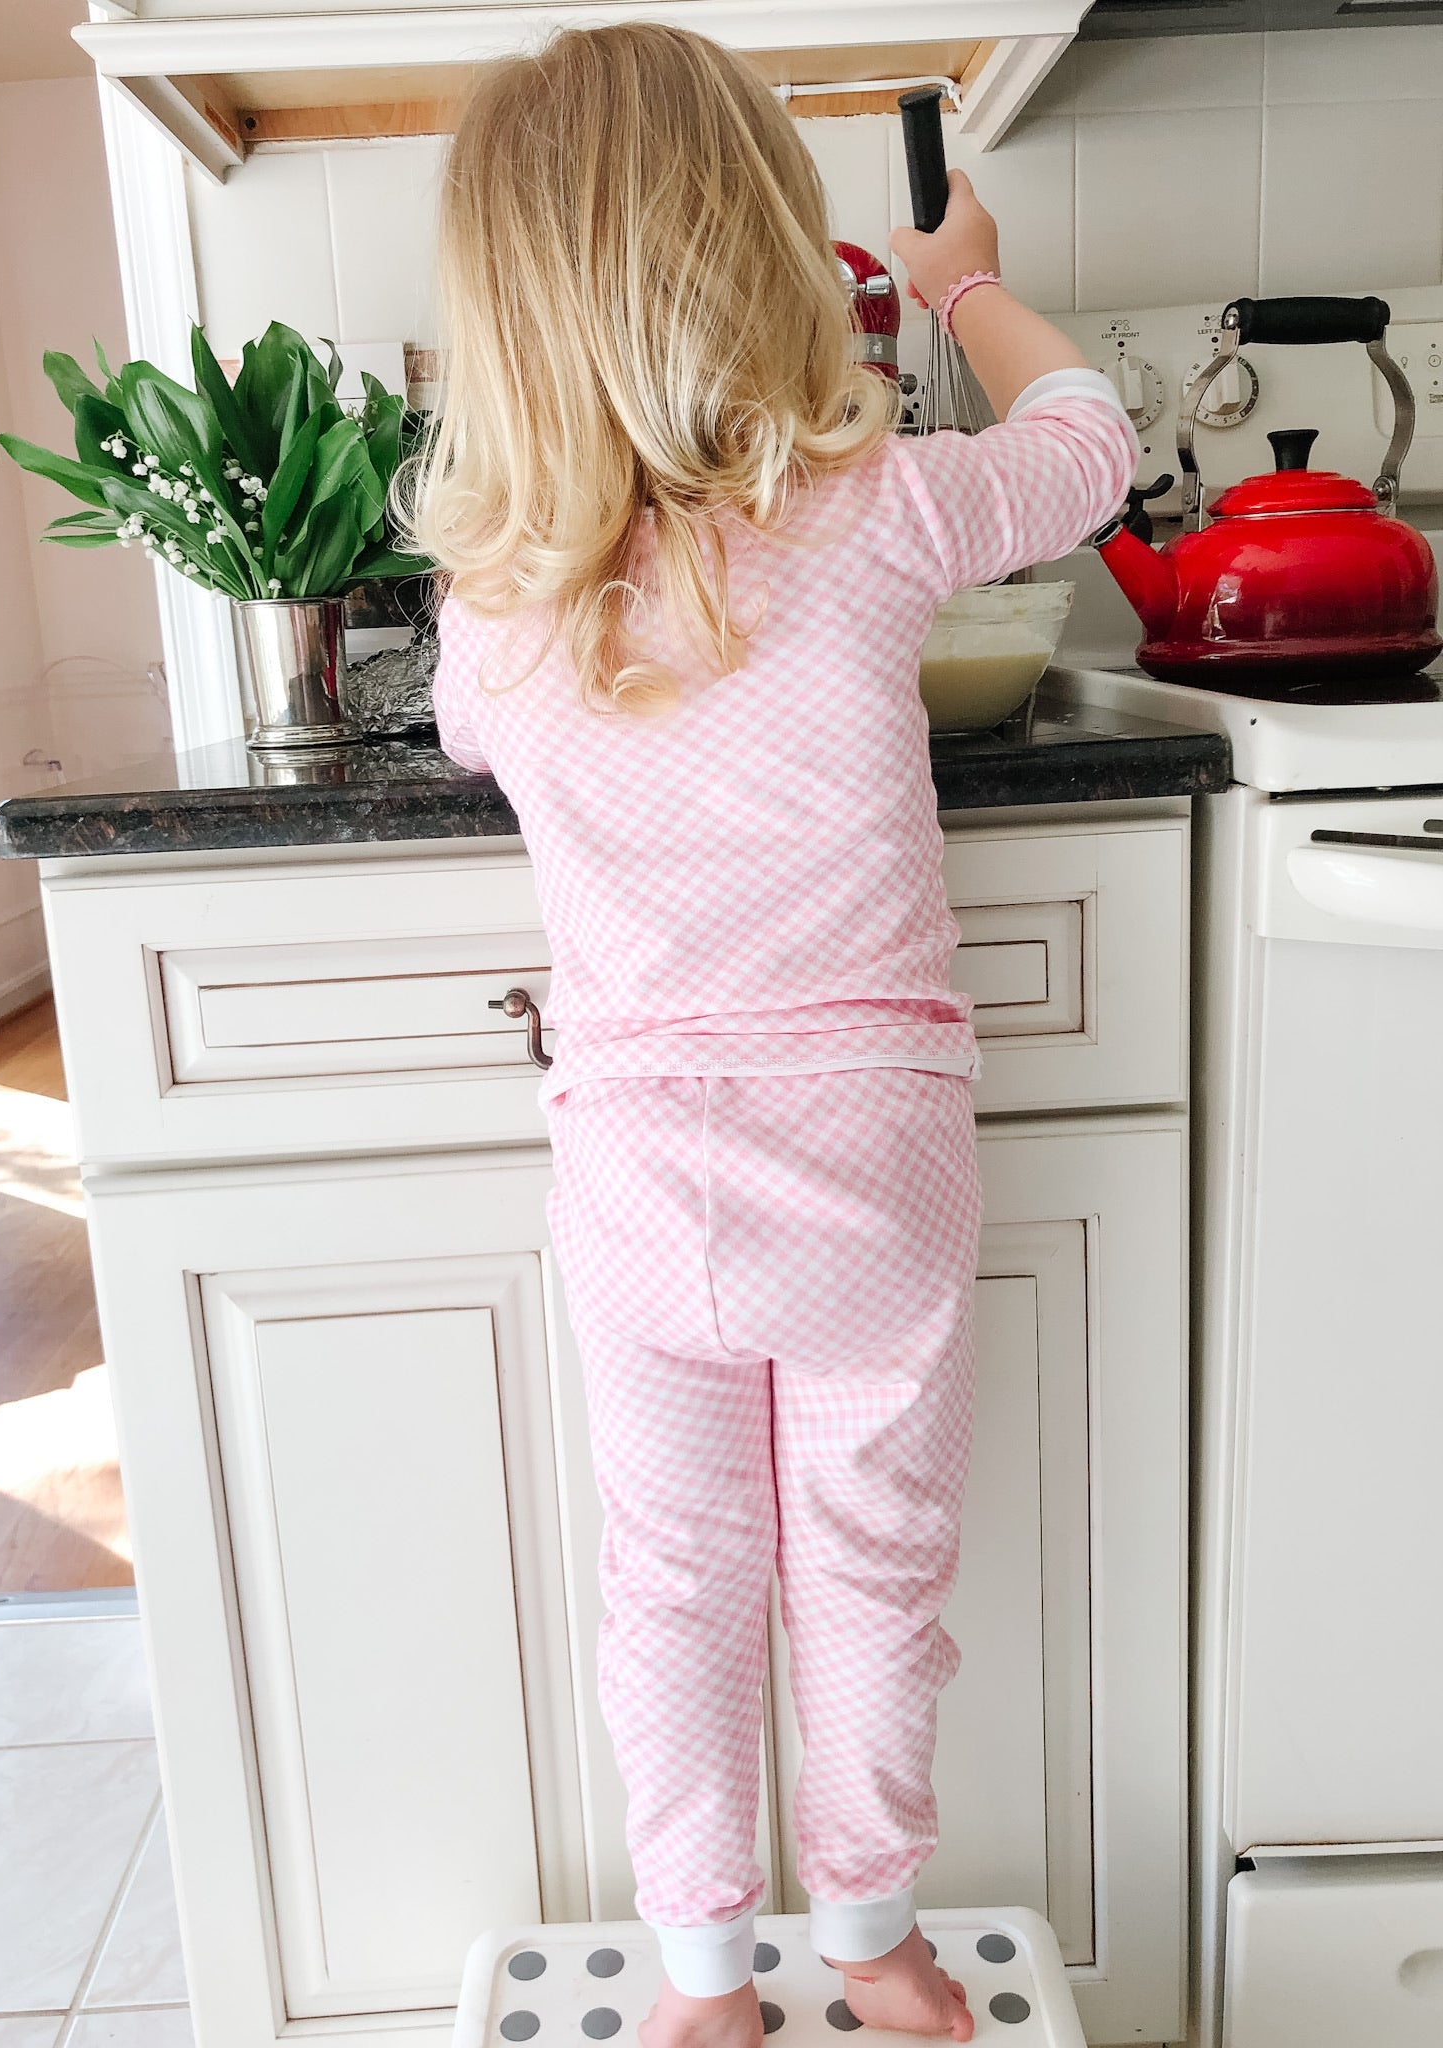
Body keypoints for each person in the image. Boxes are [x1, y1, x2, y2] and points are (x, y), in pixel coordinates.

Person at [406, 25, 1136, 2047]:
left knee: (679, 1582)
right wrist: (966, 275)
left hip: (641, 1184)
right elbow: (1093, 446)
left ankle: (703, 1984)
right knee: (872, 1571)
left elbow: (480, 734)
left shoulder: (493, 604)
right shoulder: (873, 504)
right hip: (878, 1163)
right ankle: (878, 1943)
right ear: (768, 255)